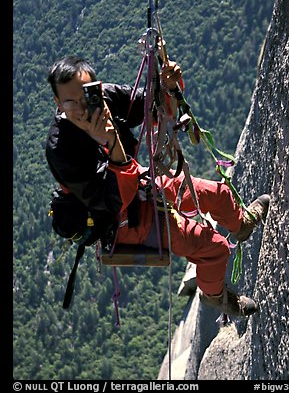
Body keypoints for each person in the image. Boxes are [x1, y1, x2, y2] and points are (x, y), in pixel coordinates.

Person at [46, 55, 270, 317]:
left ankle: (241, 226)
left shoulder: (105, 100)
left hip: (139, 185)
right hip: (123, 221)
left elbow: (152, 106)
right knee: (215, 248)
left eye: (88, 95)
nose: (83, 108)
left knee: (217, 194)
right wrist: (110, 140)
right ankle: (215, 297)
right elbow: (115, 199)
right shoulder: (61, 149)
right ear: (58, 103)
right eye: (71, 102)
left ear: (97, 86)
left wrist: (168, 86)